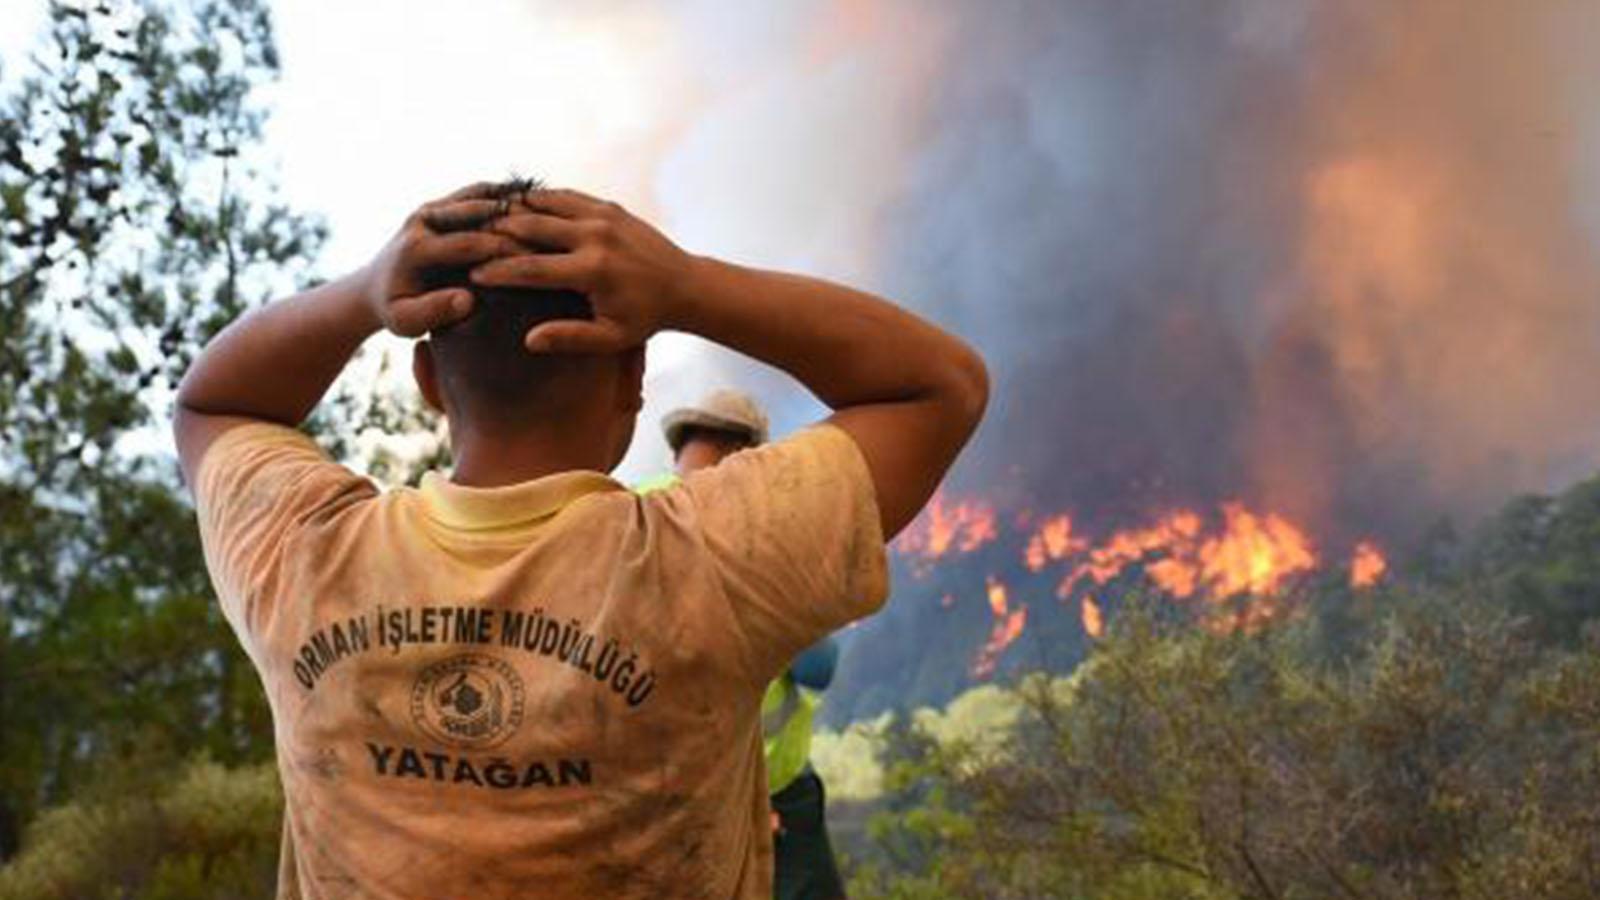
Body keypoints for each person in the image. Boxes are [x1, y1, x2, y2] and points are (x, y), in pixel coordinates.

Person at [173, 180, 988, 899]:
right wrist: (687, 286)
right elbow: (938, 386)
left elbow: (214, 405)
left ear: (426, 382)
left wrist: (359, 296)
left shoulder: (305, 554)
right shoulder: (713, 560)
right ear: (633, 378)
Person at [648, 389, 848, 899]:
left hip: (662, 808)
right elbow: (818, 667)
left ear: (680, 450)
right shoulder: (762, 534)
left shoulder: (628, 514)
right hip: (762, 799)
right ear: (745, 458)